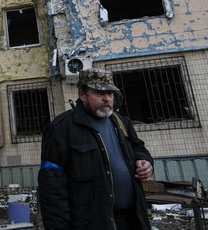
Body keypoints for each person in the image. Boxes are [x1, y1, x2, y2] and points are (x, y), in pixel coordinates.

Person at [38, 68, 154, 230]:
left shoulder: (121, 122)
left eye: (110, 93)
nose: (107, 99)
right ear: (82, 95)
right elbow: (52, 189)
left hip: (132, 219)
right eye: (99, 93)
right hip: (92, 223)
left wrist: (145, 161)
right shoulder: (61, 129)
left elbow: (138, 147)